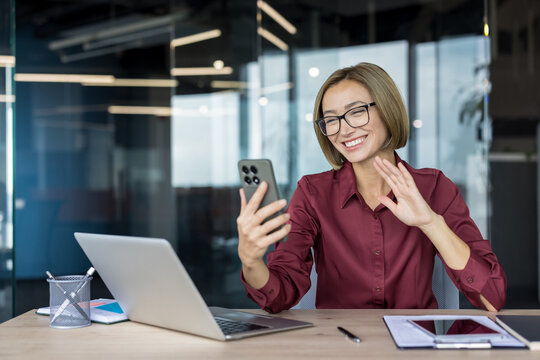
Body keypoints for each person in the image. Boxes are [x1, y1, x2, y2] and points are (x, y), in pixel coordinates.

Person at [236, 62, 506, 313]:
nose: (344, 130)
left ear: (387, 110)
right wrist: (251, 262)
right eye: (331, 120)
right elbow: (279, 297)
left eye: (356, 112)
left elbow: (492, 297)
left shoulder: (434, 188)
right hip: (339, 346)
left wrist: (431, 223)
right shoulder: (312, 193)